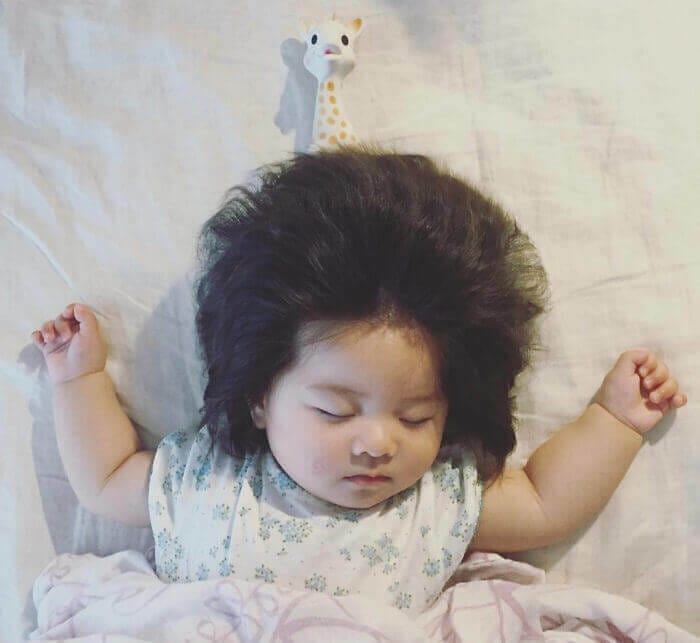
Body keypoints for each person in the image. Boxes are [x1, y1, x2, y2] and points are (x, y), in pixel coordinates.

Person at [31, 146, 687, 614]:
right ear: (259, 395)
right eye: (335, 411)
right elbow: (104, 478)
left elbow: (545, 504)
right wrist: (79, 377)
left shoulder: (431, 506)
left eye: (416, 417)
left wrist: (614, 419)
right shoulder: (209, 485)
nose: (378, 442)